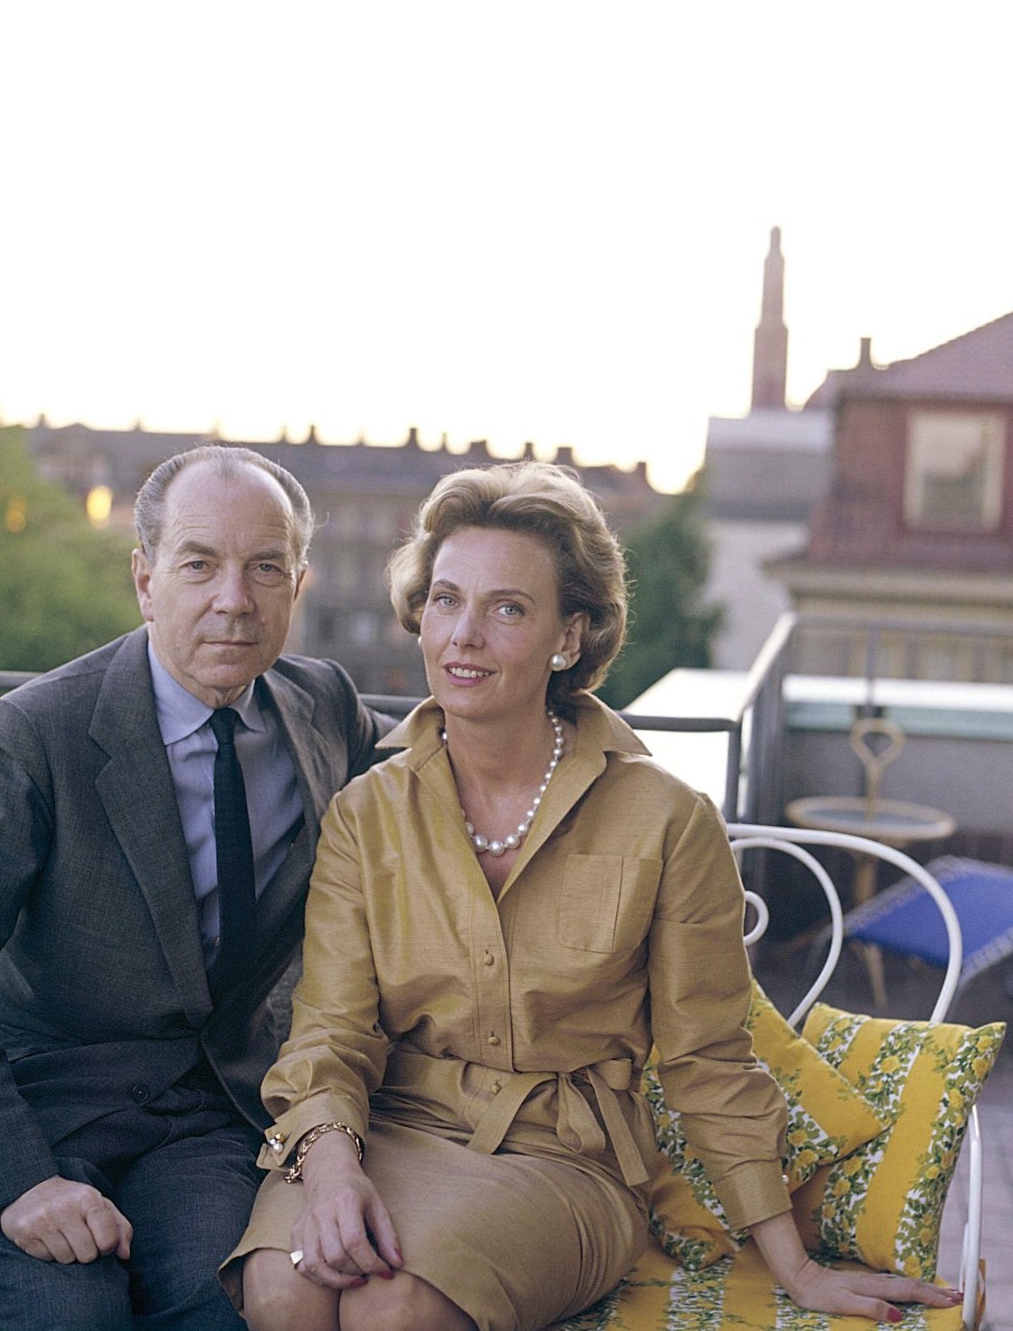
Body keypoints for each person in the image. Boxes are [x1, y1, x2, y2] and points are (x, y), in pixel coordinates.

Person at [223, 461, 962, 1331]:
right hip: (385, 1130)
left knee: (395, 1309)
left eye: (507, 608)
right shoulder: (366, 812)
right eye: (446, 599)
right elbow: (331, 1033)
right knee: (281, 1292)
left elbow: (707, 1058)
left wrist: (794, 1264)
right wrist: (332, 1169)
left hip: (564, 1158)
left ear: (567, 637)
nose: (464, 635)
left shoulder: (664, 818)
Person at [0, 444, 393, 1331]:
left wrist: (567, 719)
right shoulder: (38, 733)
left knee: (229, 1307)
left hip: (203, 1117)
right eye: (200, 565)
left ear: (299, 587)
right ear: (146, 580)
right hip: (30, 1102)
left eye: (265, 568)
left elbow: (444, 756)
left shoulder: (322, 706)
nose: (234, 599)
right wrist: (21, 1180)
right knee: (68, 1315)